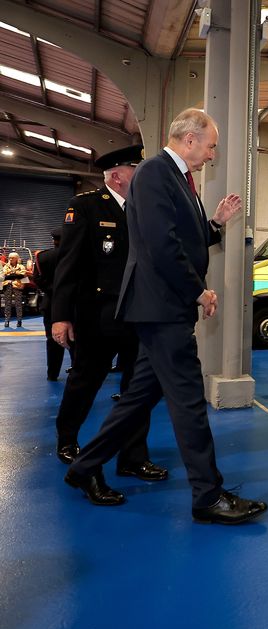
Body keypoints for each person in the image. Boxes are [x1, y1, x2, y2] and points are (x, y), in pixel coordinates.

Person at [65, 109, 267, 525]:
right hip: (161, 308)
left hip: (162, 305)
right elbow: (162, 246)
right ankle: (207, 496)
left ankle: (83, 468)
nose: (212, 154)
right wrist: (199, 290)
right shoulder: (157, 172)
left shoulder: (177, 179)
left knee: (140, 397)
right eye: (211, 145)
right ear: (189, 139)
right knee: (189, 402)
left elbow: (185, 238)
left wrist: (215, 223)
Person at [51, 144, 167, 483]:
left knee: (137, 390)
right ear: (117, 175)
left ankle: (133, 457)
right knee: (84, 383)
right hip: (96, 317)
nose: (140, 173)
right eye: (135, 168)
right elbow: (67, 265)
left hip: (138, 316)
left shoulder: (144, 210)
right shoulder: (86, 206)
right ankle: (68, 440)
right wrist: (61, 316)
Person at [33, 229, 71, 380]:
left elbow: (37, 279)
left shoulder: (43, 257)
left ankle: (53, 374)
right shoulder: (76, 255)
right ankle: (78, 372)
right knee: (75, 341)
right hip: (72, 303)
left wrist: (52, 289)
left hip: (51, 304)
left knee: (52, 340)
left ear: (53, 240)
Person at [2, 251, 27, 328]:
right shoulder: (6, 266)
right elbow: (4, 275)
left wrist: (12, 275)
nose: (10, 259)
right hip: (7, 285)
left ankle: (19, 320)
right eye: (9, 258)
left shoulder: (21, 266)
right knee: (7, 303)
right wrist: (15, 274)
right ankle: (7, 320)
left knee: (18, 304)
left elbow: (23, 276)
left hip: (17, 286)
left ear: (16, 258)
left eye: (12, 258)